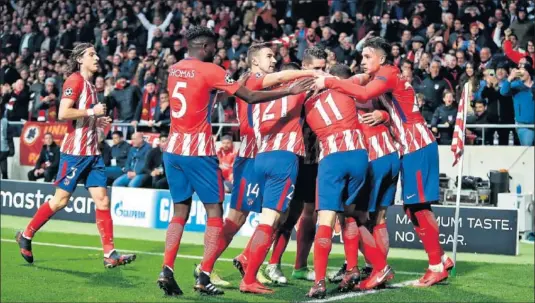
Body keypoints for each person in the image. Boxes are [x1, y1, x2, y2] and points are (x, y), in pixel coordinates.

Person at [157, 26, 313, 297]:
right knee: (225, 215)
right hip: (216, 152)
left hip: (173, 148)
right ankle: (206, 271)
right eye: (215, 47)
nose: (218, 52)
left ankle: (171, 268)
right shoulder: (226, 73)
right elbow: (251, 94)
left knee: (182, 211)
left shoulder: (175, 68)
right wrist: (297, 84)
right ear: (205, 46)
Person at [314, 37, 453, 287]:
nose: (363, 61)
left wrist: (329, 81)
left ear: (382, 58)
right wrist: (385, 115)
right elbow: (397, 105)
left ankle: (434, 265)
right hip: (407, 147)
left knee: (417, 207)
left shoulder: (387, 74)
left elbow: (365, 93)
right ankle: (440, 259)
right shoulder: (387, 77)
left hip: (416, 145)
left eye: (368, 57)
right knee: (411, 208)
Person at [199, 44, 322, 288]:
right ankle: (205, 267)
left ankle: (247, 258)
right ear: (255, 62)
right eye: (269, 56)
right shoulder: (252, 78)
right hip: (251, 155)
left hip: (264, 151)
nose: (274, 60)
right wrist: (307, 73)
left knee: (277, 214)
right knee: (238, 218)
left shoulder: (259, 82)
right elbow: (279, 78)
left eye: (274, 57)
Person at [16, 43, 136, 267]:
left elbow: (81, 118)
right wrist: (92, 111)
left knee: (102, 200)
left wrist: (97, 120)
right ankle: (27, 234)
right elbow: (63, 113)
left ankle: (110, 253)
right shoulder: (75, 80)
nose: (97, 58)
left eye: (97, 54)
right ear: (80, 59)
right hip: (74, 153)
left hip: (93, 154)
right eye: (91, 54)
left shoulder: (91, 86)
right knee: (60, 201)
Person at [302, 63, 370, 298]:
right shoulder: (345, 86)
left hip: (332, 158)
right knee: (349, 214)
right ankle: (352, 268)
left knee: (326, 219)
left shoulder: (305, 102)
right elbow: (366, 76)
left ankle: (319, 282)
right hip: (359, 155)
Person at [264, 47, 328, 284]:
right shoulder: (293, 90)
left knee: (304, 215)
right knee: (281, 215)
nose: (321, 72)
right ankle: (267, 263)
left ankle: (298, 265)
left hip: (314, 160)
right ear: (305, 66)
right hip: (292, 157)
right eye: (316, 68)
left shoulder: (324, 87)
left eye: (324, 67)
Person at [499, 62, 534, 146]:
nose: (520, 73)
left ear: (528, 72)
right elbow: (503, 92)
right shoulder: (516, 86)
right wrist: (510, 78)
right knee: (528, 151)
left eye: (523, 70)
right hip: (524, 125)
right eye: (519, 71)